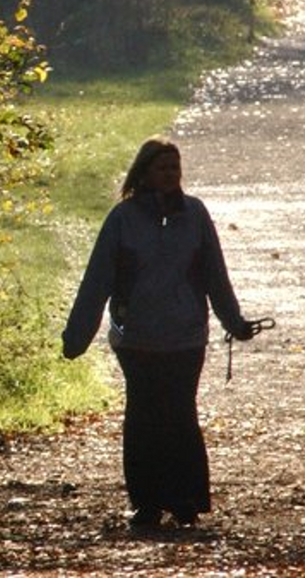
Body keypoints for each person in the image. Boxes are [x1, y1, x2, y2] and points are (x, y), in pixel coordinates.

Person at [62, 137, 253, 528]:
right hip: (137, 338)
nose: (170, 175)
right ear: (145, 173)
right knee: (144, 416)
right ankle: (146, 502)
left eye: (175, 168)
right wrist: (77, 336)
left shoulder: (195, 215)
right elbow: (97, 279)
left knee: (181, 413)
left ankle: (187, 501)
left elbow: (215, 275)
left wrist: (234, 322)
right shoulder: (122, 219)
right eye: (163, 168)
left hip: (185, 336)